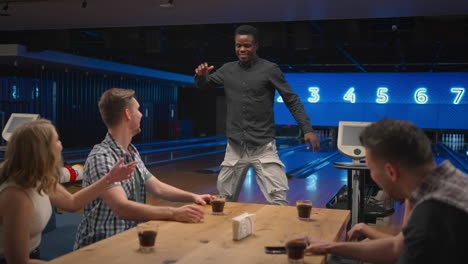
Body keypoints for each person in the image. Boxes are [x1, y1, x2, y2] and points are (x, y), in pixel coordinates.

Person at [304, 118, 468, 264]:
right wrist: (331, 247)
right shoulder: (450, 180)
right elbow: (398, 247)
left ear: (391, 172)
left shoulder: (433, 211)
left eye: (372, 170)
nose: (372, 176)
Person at [194, 25, 320, 205]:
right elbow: (203, 86)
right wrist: (200, 77)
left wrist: (307, 129)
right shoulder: (227, 69)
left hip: (263, 146)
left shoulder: (270, 69)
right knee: (223, 201)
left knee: (279, 201)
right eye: (238, 45)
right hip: (235, 148)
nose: (242, 49)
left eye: (247, 45)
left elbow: (291, 99)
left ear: (256, 46)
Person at [74, 88, 211, 249]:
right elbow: (121, 208)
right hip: (102, 246)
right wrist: (173, 213)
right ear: (127, 114)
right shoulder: (102, 157)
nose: (142, 114)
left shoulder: (131, 152)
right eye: (138, 109)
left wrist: (194, 197)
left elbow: (157, 187)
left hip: (130, 239)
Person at [0, 119, 136, 264]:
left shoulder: (39, 178)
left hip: (34, 254)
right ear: (42, 151)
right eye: (57, 140)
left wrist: (109, 178)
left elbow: (72, 203)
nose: (61, 145)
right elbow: (17, 261)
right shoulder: (17, 197)